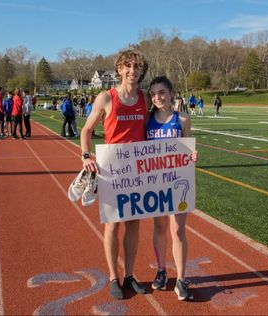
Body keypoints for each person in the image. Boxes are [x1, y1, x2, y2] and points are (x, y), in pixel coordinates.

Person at [78, 48, 150, 299]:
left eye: (137, 67)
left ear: (141, 71)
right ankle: (113, 278)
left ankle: (129, 275)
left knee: (134, 226)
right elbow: (86, 130)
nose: (132, 71)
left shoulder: (145, 98)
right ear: (119, 69)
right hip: (113, 173)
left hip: (138, 173)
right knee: (112, 227)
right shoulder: (106, 98)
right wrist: (86, 156)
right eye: (128, 66)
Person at [146, 75, 198, 301]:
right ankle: (161, 270)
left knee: (177, 230)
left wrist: (193, 155)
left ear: (171, 93)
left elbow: (187, 148)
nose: (158, 97)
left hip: (178, 182)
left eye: (162, 92)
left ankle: (181, 279)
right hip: (155, 183)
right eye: (154, 93)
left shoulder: (183, 119)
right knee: (159, 228)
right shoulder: (146, 120)